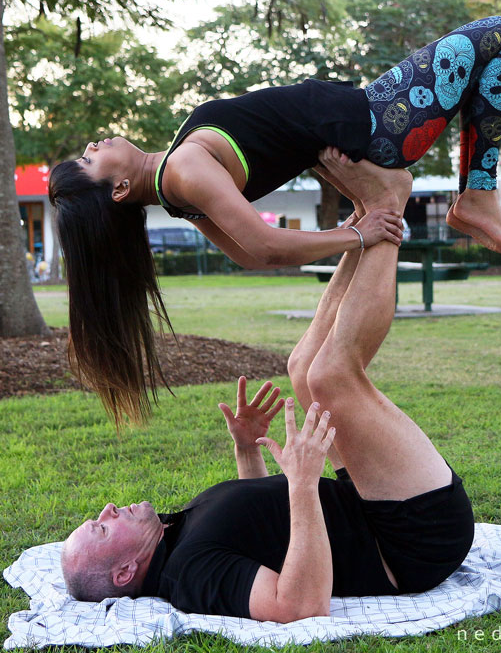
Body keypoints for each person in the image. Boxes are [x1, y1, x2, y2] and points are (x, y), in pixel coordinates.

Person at [49, 15, 501, 427]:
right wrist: (355, 233)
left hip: (359, 127)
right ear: (116, 190)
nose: (92, 146)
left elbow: (247, 255)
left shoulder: (176, 189)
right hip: (376, 122)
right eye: (87, 161)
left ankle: (477, 196)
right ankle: (479, 196)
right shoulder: (183, 170)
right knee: (500, 35)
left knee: (491, 48)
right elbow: (263, 246)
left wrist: (357, 229)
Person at [60, 176, 475, 622]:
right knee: (332, 376)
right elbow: (298, 605)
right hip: (412, 539)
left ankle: (363, 220)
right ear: (125, 572)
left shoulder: (170, 536)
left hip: (369, 506)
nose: (107, 509)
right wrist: (300, 484)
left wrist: (246, 449)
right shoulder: (189, 574)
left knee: (303, 367)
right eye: (101, 527)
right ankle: (389, 207)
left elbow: (262, 535)